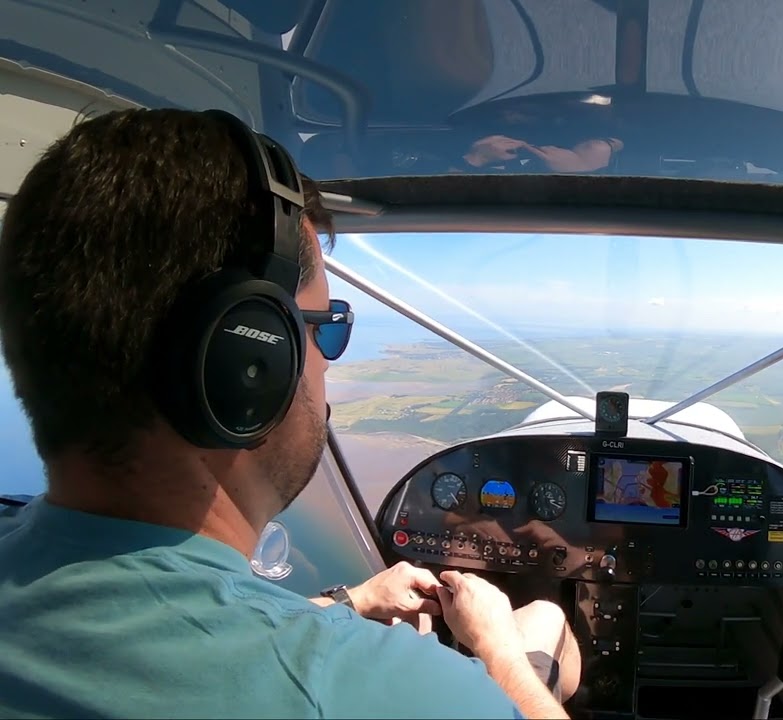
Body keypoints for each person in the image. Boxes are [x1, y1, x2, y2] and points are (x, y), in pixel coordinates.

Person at [0, 108, 578, 719]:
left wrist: (345, 603)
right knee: (543, 623)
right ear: (248, 361)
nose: (328, 364)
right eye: (326, 331)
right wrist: (501, 651)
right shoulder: (380, 689)